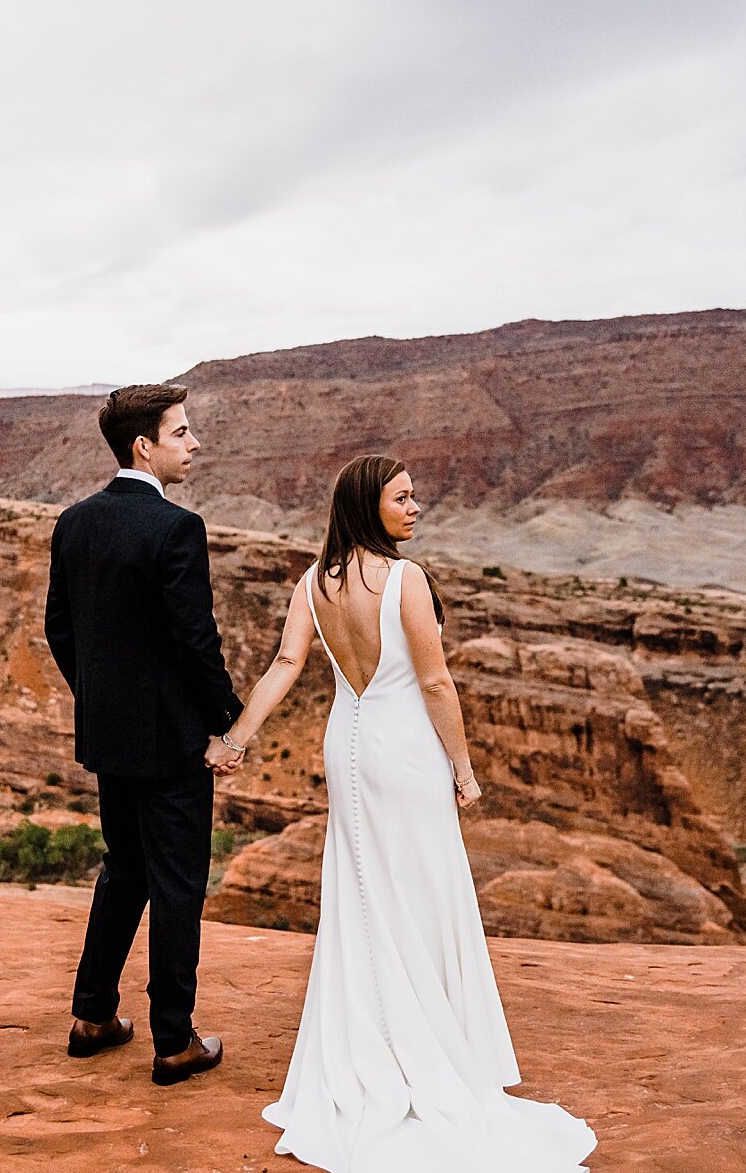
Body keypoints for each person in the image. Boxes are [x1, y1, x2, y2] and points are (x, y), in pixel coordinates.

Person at [215, 454, 597, 1171]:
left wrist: (237, 738)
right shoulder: (405, 580)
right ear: (370, 506)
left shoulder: (312, 580)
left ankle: (370, 1050)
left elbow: (285, 665)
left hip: (348, 747)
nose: (416, 506)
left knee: (361, 896)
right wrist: (464, 766)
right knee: (421, 892)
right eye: (403, 497)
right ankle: (429, 1051)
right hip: (406, 750)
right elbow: (434, 680)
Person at [43, 383, 248, 1087]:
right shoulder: (175, 529)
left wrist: (105, 702)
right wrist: (230, 720)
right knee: (178, 884)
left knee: (124, 869)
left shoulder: (73, 522)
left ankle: (92, 1015)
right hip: (171, 744)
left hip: (110, 739)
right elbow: (197, 643)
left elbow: (60, 630)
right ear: (144, 446)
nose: (194, 445)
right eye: (182, 433)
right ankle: (173, 1041)